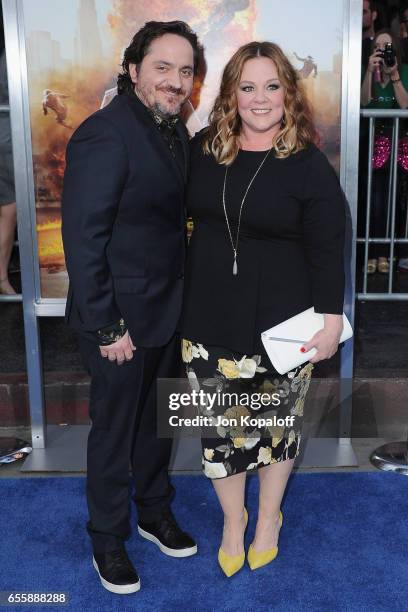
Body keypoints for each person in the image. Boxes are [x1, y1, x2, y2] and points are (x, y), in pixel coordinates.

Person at [180, 41, 346, 577]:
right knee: (219, 432)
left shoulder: (308, 164)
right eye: (247, 87)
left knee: (276, 430)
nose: (259, 98)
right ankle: (234, 521)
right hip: (207, 319)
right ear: (231, 94)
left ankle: (269, 517)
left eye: (271, 86)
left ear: (288, 94)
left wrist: (331, 320)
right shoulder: (204, 149)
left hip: (284, 326)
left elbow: (328, 246)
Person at [61, 21, 200, 595]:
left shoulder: (174, 130)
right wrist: (105, 325)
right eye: (163, 67)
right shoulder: (106, 133)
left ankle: (152, 510)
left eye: (186, 70)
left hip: (167, 311)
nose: (175, 81)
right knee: (115, 432)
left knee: (158, 426)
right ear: (134, 69)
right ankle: (107, 536)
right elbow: (83, 238)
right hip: (119, 321)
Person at [361, 28, 408, 274]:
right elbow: (362, 101)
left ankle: (390, 254)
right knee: (375, 201)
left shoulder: (404, 71)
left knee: (396, 203)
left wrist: (396, 75)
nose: (382, 51)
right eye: (378, 47)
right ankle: (372, 252)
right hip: (374, 140)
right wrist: (370, 71)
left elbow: (405, 105)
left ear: (395, 50)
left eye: (387, 47)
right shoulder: (367, 71)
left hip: (400, 142)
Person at [0, 46, 17, 296]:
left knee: (8, 209)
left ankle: (2, 278)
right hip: (7, 136)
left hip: (7, 134)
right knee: (9, 209)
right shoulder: (11, 51)